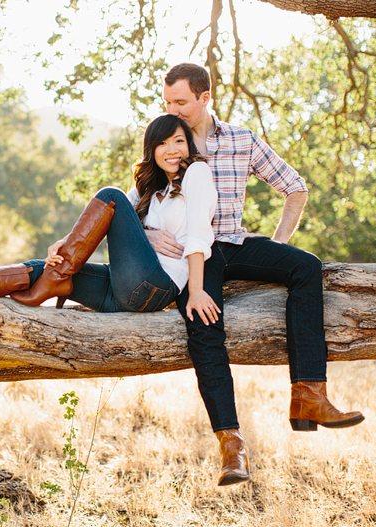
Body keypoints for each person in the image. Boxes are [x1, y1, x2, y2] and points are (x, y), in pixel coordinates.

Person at [152, 63, 364, 487]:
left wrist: (279, 243)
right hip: (196, 253)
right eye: (167, 101)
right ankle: (232, 444)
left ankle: (309, 395)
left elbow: (295, 187)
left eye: (181, 101)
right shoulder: (168, 139)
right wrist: (152, 234)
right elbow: (143, 198)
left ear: (204, 98)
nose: (172, 108)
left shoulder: (241, 139)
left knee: (306, 266)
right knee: (204, 325)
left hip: (236, 241)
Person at [0, 114, 218, 322]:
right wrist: (65, 243)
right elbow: (104, 222)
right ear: (152, 150)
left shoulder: (197, 173)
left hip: (154, 286)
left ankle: (56, 277)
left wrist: (198, 291)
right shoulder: (148, 189)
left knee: (111, 195)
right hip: (121, 291)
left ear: (189, 144)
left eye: (179, 140)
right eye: (162, 143)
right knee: (41, 268)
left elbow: (199, 237)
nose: (172, 149)